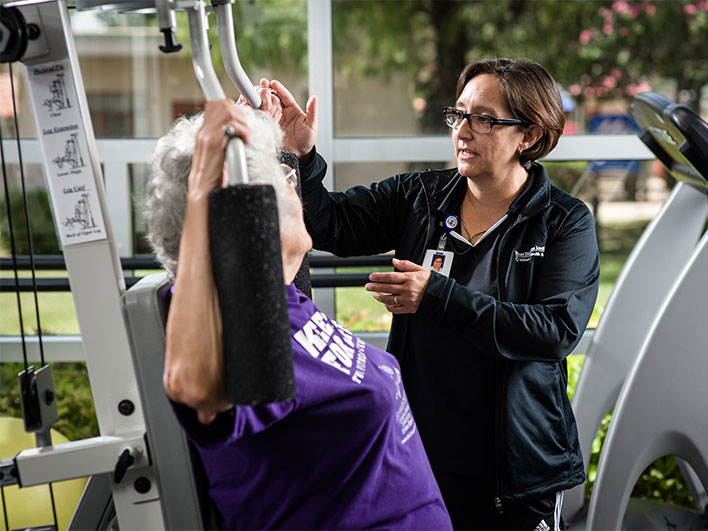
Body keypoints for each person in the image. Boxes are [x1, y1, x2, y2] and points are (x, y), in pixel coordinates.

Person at [267, 57, 600, 530]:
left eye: (484, 119)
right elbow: (330, 224)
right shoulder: (420, 197)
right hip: (424, 449)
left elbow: (554, 331)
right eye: (458, 114)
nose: (463, 131)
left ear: (528, 135)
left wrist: (437, 295)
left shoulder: (564, 221)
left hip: (515, 468)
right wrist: (301, 157)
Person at [143, 97, 452, 530]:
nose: (294, 185)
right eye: (283, 178)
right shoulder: (239, 327)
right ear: (245, 220)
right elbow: (194, 388)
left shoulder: (279, 299)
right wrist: (202, 189)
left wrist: (282, 146)